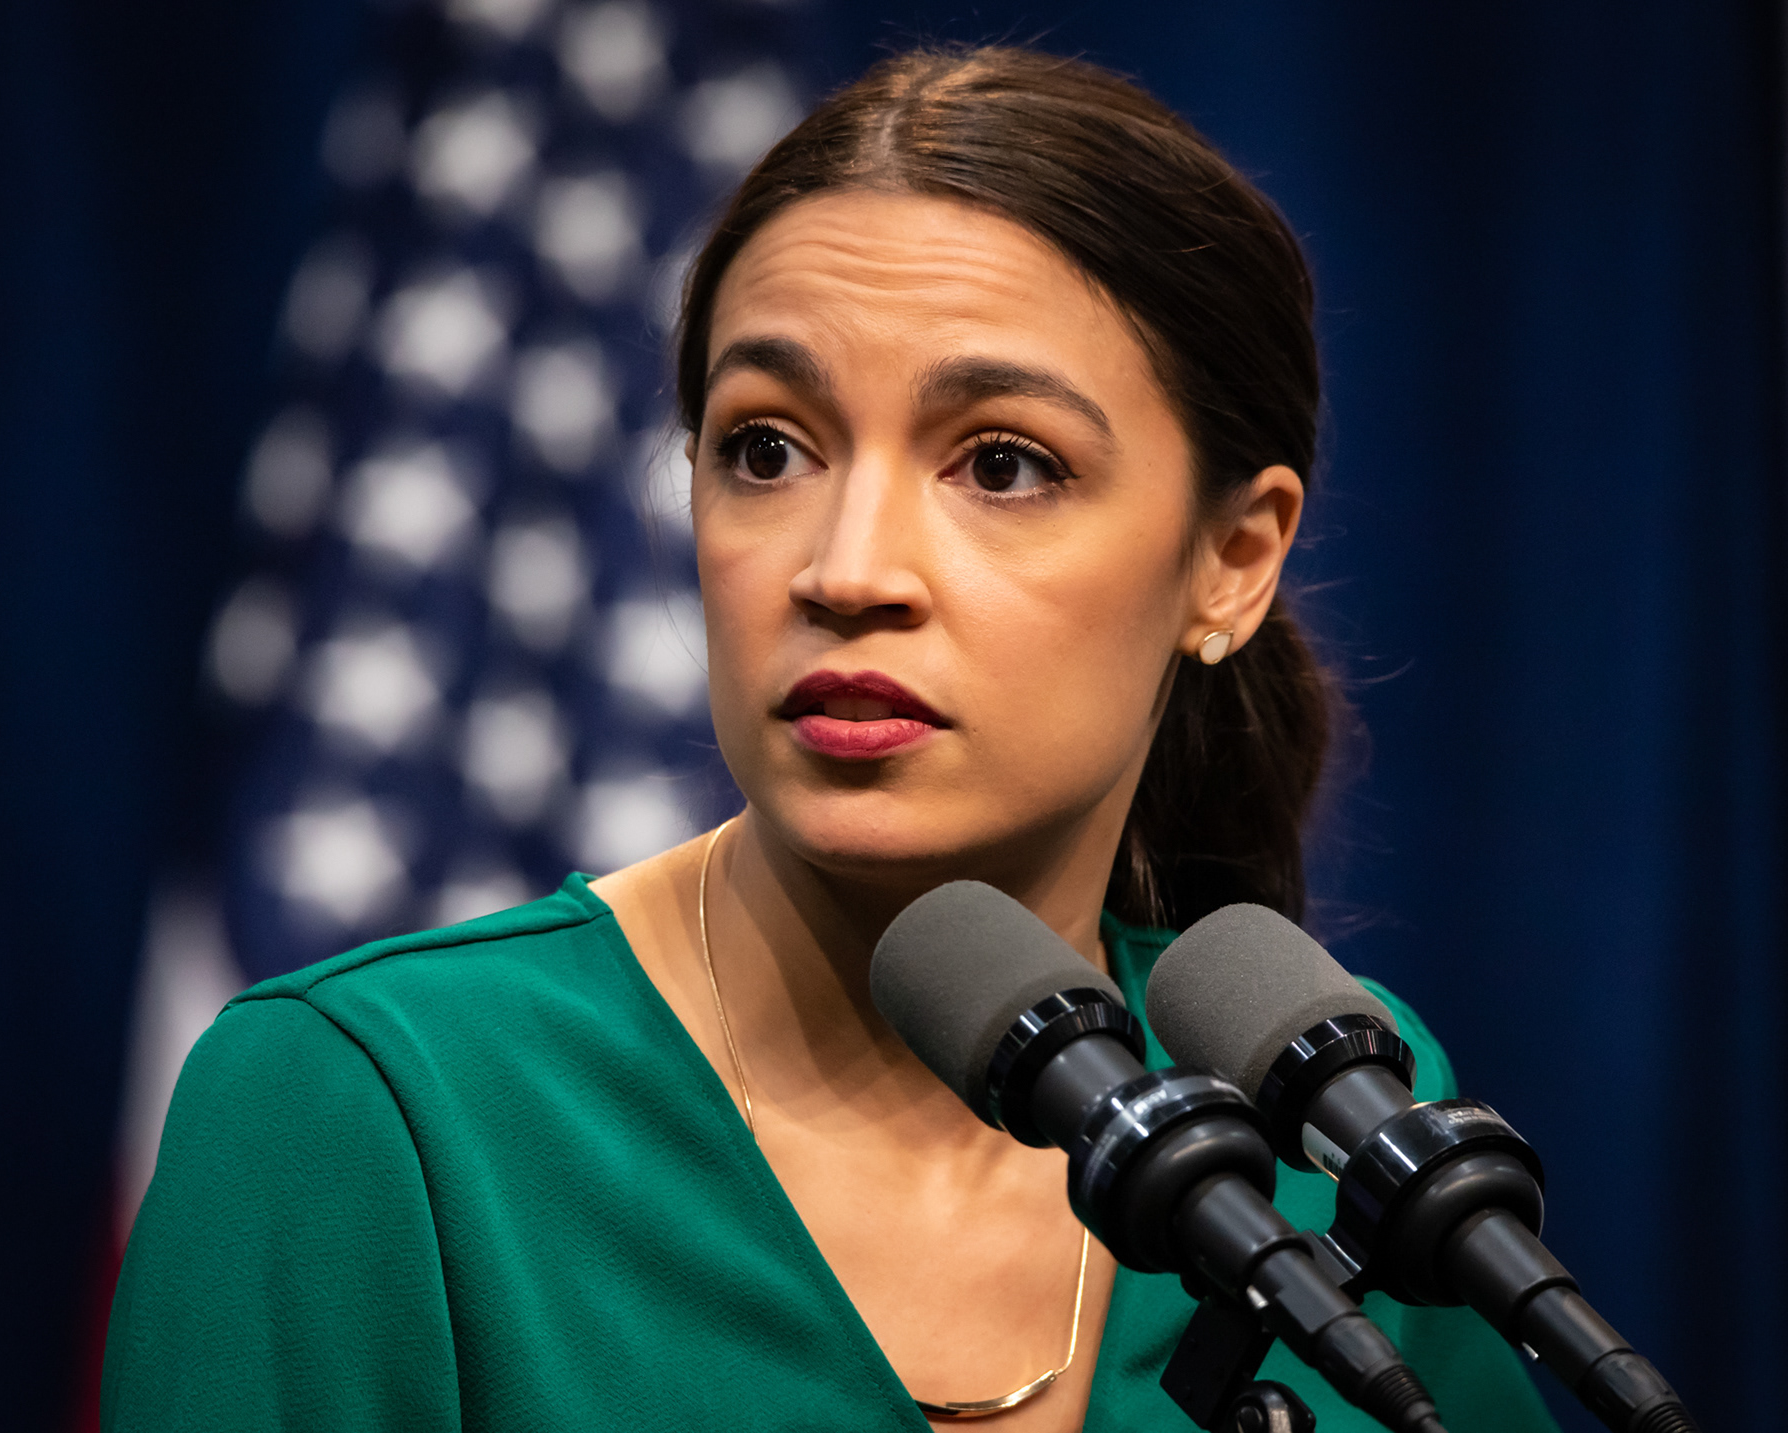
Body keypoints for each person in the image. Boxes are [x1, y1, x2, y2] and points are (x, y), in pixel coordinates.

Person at [103, 45, 1559, 1432]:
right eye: (767, 448)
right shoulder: (352, 1113)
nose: (847, 567)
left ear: (1231, 559)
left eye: (1002, 462)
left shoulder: (1332, 1109)